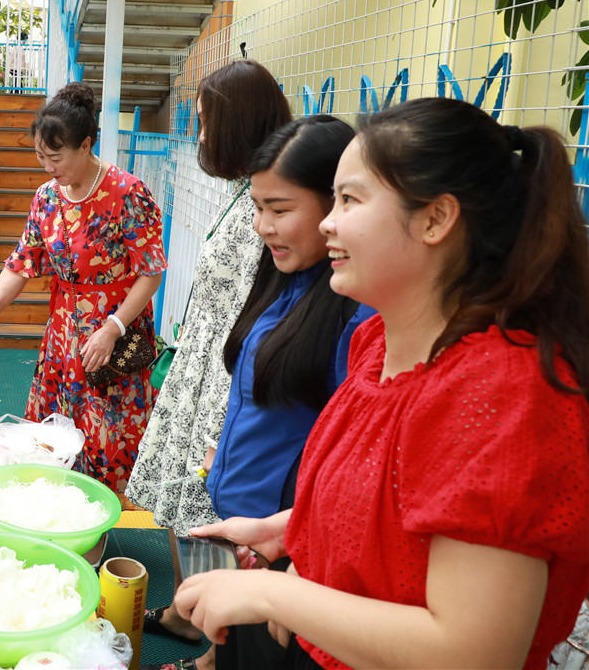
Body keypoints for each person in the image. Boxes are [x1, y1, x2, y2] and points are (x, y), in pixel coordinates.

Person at [178, 98, 589, 670]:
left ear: (435, 220)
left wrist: (277, 594)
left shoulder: (497, 394)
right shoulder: (376, 346)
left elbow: (474, 651)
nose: (328, 221)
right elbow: (394, 514)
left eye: (348, 200)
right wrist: (288, 528)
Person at [202, 115, 375, 668]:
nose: (262, 226)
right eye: (257, 209)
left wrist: (300, 545)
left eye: (280, 210)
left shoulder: (354, 314)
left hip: (289, 546)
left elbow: (348, 455)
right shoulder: (285, 277)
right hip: (249, 528)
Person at [0, 82, 167, 491]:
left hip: (113, 338)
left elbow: (152, 271)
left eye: (56, 157)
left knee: (109, 442)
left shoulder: (127, 193)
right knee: (53, 441)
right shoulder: (46, 197)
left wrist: (112, 328)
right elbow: (22, 263)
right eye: (40, 155)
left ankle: (105, 532)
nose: (47, 166)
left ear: (86, 145)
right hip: (62, 338)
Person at [127, 59, 293, 528]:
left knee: (209, 506)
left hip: (227, 376)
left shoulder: (264, 204)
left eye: (205, 122)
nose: (199, 135)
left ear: (237, 123)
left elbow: (256, 315)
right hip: (209, 366)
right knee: (191, 503)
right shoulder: (246, 190)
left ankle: (197, 600)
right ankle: (187, 600)